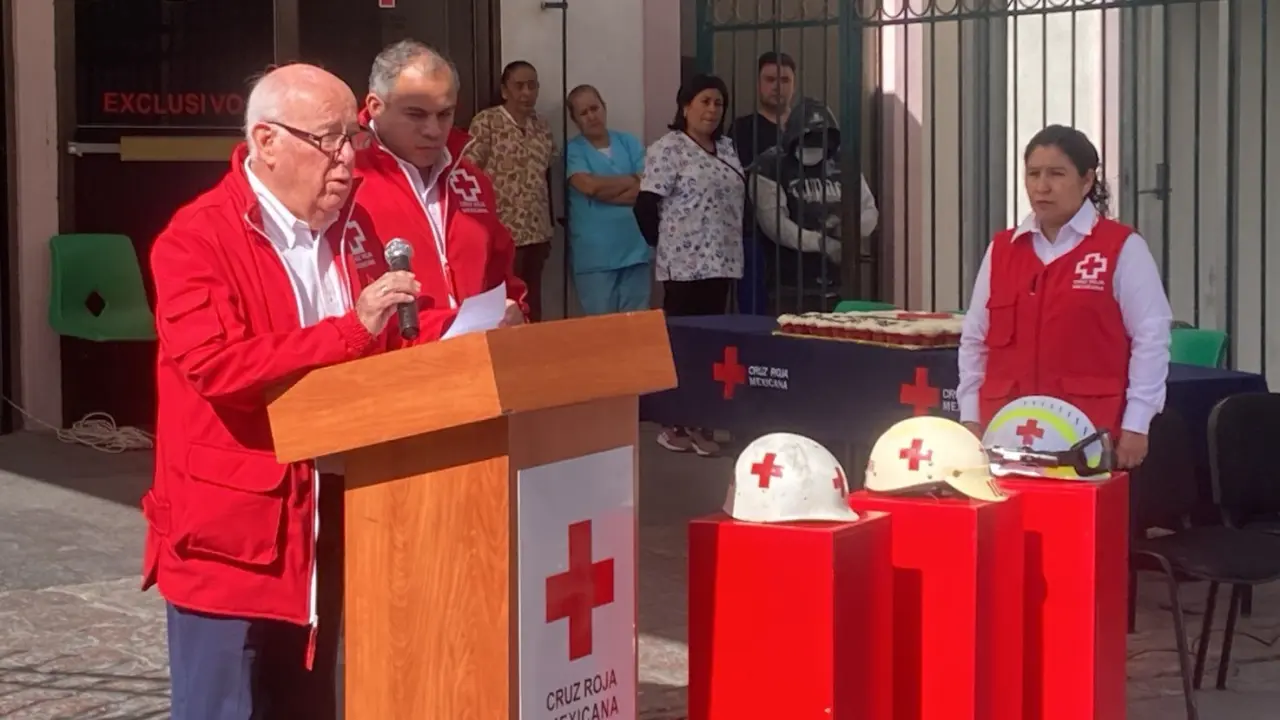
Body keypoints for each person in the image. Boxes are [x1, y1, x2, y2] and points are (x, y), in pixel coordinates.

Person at [142, 64, 420, 719]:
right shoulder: (196, 237)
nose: (348, 160)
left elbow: (387, 341)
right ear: (266, 142)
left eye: (353, 139)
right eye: (329, 141)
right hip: (231, 538)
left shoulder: (354, 230)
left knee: (304, 706)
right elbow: (219, 367)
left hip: (327, 516)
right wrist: (349, 332)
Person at [957, 125, 1172, 469]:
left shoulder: (1121, 247)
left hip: (1089, 434)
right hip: (1007, 433)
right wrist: (970, 415)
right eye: (1033, 174)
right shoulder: (1002, 249)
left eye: (1056, 174)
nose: (1042, 187)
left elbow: (1152, 337)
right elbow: (975, 340)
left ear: (1087, 181)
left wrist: (1137, 423)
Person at [357, 39, 528, 329]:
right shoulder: (344, 179)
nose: (434, 130)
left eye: (445, 114)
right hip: (389, 366)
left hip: (474, 359)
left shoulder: (471, 180)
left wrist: (517, 312)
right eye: (416, 115)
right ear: (375, 106)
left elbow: (500, 272)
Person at [634, 73, 744, 456]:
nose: (712, 110)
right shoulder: (669, 149)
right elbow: (646, 206)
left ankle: (703, 421)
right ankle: (675, 421)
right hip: (684, 266)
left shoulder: (727, 148)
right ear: (685, 106)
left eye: (718, 103)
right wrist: (667, 244)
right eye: (704, 102)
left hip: (723, 261)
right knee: (683, 343)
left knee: (712, 346)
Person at [748, 97, 879, 312]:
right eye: (809, 138)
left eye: (822, 138)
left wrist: (848, 231)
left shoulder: (843, 162)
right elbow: (775, 225)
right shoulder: (769, 165)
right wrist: (820, 243)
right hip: (789, 286)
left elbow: (869, 209)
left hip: (840, 285)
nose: (815, 145)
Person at [463, 60, 555, 321]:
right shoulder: (487, 122)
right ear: (505, 91)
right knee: (505, 302)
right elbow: (469, 170)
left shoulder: (542, 126)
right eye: (519, 86)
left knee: (533, 298)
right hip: (503, 231)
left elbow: (546, 171)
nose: (526, 93)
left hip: (537, 231)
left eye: (532, 86)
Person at [564, 84, 652, 315]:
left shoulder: (629, 143)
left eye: (595, 108)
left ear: (604, 107)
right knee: (603, 335)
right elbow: (589, 186)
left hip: (635, 251)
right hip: (596, 258)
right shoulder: (573, 151)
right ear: (575, 120)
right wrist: (633, 178)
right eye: (583, 113)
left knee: (637, 330)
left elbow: (648, 188)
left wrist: (604, 191)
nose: (592, 116)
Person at [731, 52, 797, 314]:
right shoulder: (742, 129)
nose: (777, 86)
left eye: (785, 80)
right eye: (770, 79)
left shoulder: (808, 127)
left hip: (803, 236)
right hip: (754, 236)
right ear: (758, 84)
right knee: (756, 316)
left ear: (794, 84)